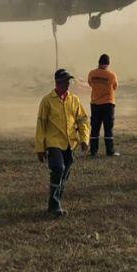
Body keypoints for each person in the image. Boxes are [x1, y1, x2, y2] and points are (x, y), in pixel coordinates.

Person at [35, 69, 91, 217]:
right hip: (54, 143)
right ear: (57, 83)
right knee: (58, 169)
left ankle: (56, 202)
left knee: (64, 175)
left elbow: (82, 120)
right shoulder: (47, 101)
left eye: (68, 82)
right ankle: (54, 205)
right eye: (65, 82)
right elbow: (41, 124)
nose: (67, 84)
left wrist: (84, 139)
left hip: (70, 144)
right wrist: (40, 148)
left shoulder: (74, 100)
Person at [87, 53, 119, 157]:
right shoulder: (111, 75)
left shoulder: (92, 73)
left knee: (95, 128)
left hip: (95, 104)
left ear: (99, 62)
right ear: (108, 64)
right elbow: (115, 87)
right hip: (108, 104)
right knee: (108, 129)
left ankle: (93, 151)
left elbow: (90, 84)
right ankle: (110, 151)